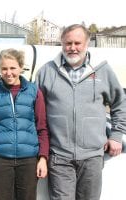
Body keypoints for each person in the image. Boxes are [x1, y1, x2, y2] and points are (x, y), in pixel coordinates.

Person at [36, 24, 126, 200]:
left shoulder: (102, 70)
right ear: (62, 43)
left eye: (77, 43)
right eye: (68, 43)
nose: (72, 48)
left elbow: (120, 103)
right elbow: (34, 112)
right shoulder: (47, 72)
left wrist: (116, 135)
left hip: (92, 156)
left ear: (87, 43)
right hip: (58, 156)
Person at [0, 48, 49, 200]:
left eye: (13, 68)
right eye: (4, 68)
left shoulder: (34, 92)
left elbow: (42, 128)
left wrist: (43, 158)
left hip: (28, 160)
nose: (8, 73)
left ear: (21, 68)